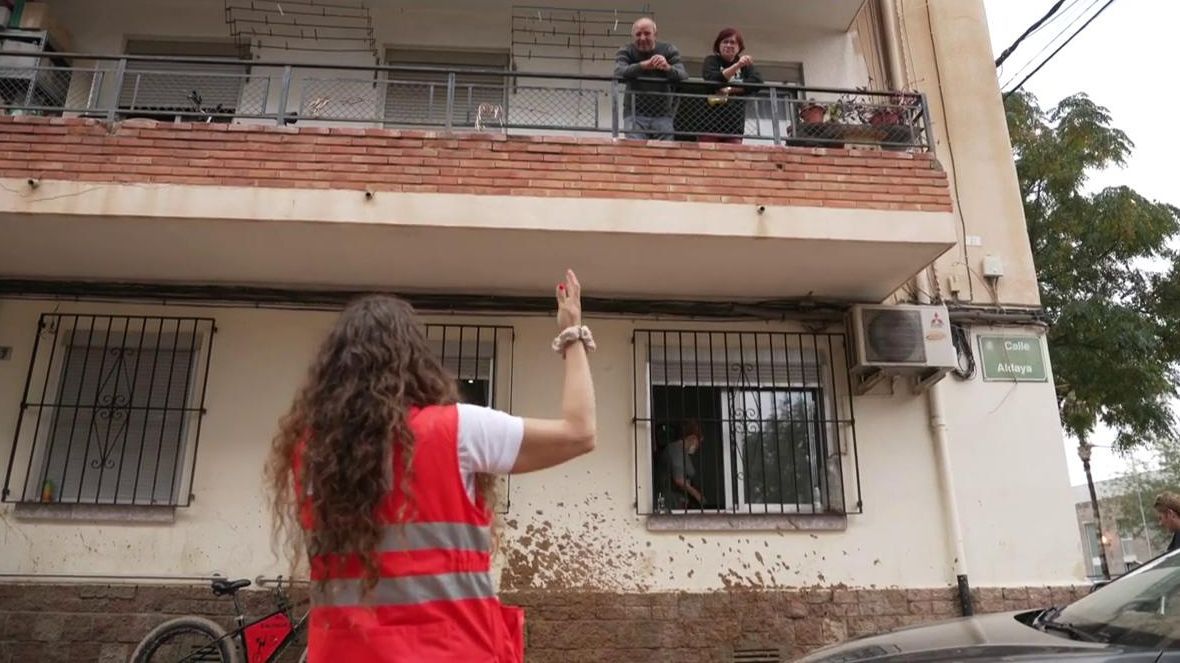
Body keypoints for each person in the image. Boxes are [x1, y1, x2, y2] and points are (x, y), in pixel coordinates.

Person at [266, 269, 596, 662]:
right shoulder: (458, 431)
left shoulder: (311, 452)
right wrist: (571, 334)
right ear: (414, 360)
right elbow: (580, 432)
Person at [614, 17, 688, 140]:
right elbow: (618, 73)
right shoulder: (626, 50)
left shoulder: (668, 50)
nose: (642, 38)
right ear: (633, 36)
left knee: (664, 154)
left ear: (655, 34)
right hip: (634, 114)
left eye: (647, 33)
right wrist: (643, 65)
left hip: (663, 114)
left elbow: (683, 76)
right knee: (635, 153)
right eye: (638, 34)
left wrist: (667, 67)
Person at [700, 28, 764, 144]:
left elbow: (757, 82)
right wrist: (737, 65)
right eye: (725, 42)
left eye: (733, 42)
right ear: (718, 45)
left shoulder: (745, 64)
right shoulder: (711, 60)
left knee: (734, 159)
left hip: (735, 123)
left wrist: (730, 89)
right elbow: (712, 80)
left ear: (739, 47)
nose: (729, 45)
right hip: (709, 123)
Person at [656, 420, 704, 510]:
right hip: (671, 502)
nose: (698, 446)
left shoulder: (683, 452)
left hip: (679, 502)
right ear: (693, 438)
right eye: (699, 442)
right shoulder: (676, 449)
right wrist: (698, 496)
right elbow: (679, 480)